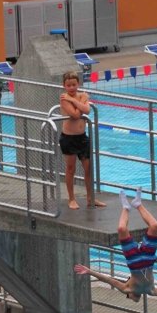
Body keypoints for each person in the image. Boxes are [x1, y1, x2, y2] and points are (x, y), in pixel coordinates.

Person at [73, 188, 157, 305]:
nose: (133, 299)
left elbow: (108, 280)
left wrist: (89, 271)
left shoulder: (126, 288)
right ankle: (138, 204)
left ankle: (126, 208)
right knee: (155, 226)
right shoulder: (151, 290)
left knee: (121, 229)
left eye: (130, 298)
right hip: (148, 258)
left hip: (134, 260)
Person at [59, 70, 106, 211]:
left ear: (78, 84)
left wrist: (77, 101)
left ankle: (90, 197)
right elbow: (75, 115)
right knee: (71, 169)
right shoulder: (64, 98)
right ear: (64, 86)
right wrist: (78, 101)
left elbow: (88, 110)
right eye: (68, 85)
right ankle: (71, 199)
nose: (71, 88)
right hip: (68, 138)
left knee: (88, 169)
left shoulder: (81, 96)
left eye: (74, 84)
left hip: (82, 137)